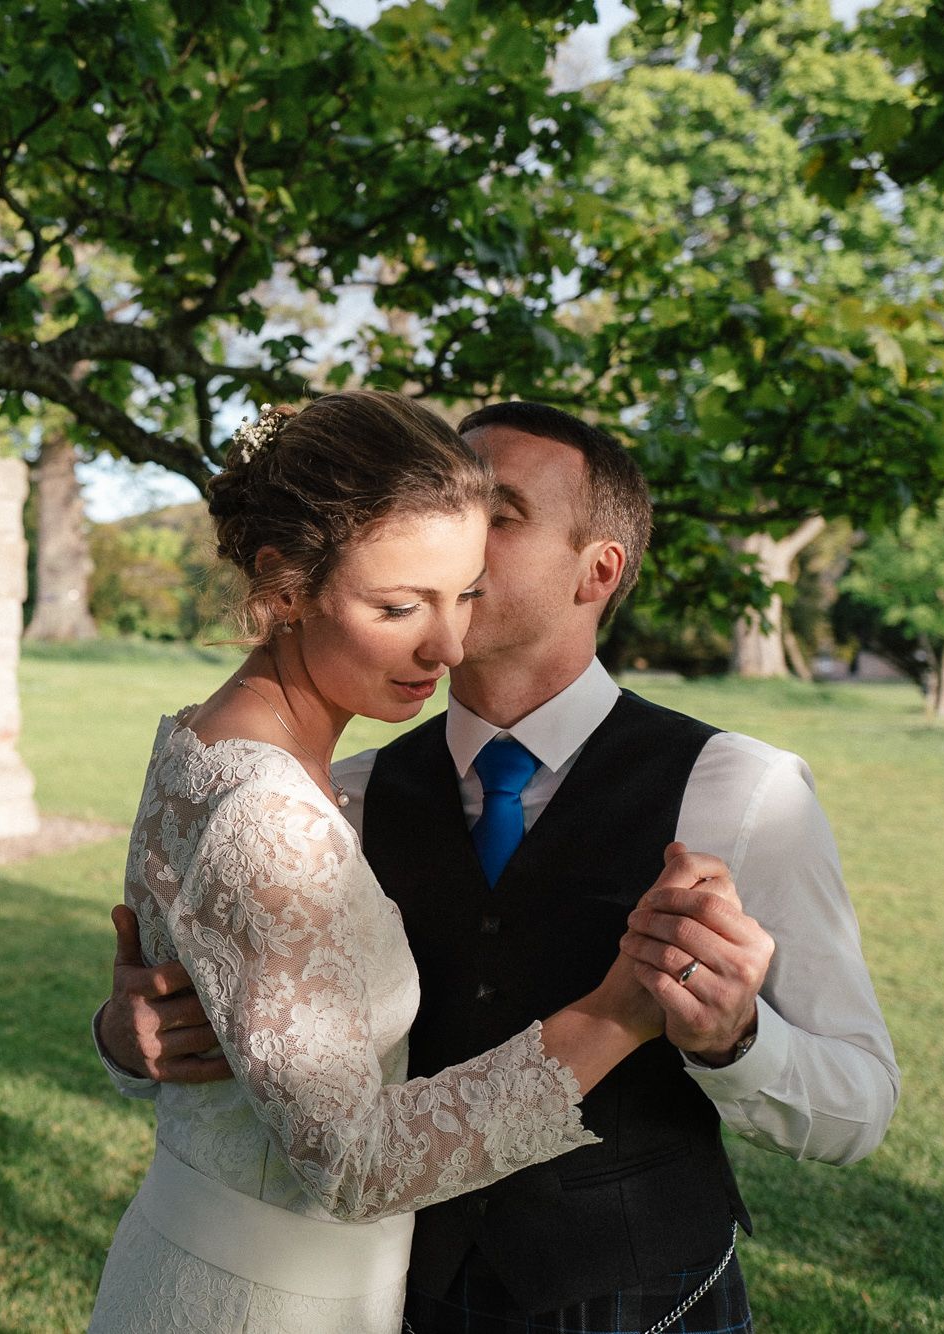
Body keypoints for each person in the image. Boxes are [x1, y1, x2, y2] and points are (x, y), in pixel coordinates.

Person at [96, 401, 900, 1332]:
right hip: (392, 1297)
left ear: (599, 569)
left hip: (638, 1302)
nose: (459, 530)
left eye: (499, 511)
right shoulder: (332, 796)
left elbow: (862, 1101)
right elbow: (269, 1065)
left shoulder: (747, 792)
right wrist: (128, 1038)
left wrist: (735, 1040)